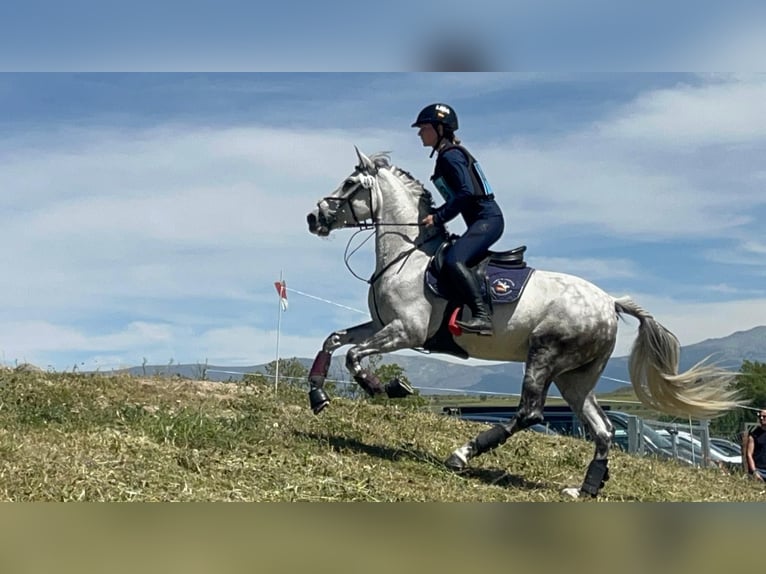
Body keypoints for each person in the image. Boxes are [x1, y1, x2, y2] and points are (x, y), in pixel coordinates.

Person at [412, 103, 505, 335]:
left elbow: (466, 192)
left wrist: (438, 217)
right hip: (479, 221)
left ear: (439, 128)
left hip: (487, 220)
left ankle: (482, 316)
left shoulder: (450, 156)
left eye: (424, 127)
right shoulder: (449, 153)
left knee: (454, 260)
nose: (419, 133)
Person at [745, 409, 766, 480]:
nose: (761, 418)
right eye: (760, 416)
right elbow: (749, 454)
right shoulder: (754, 435)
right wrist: (754, 471)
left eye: (764, 416)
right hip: (760, 470)